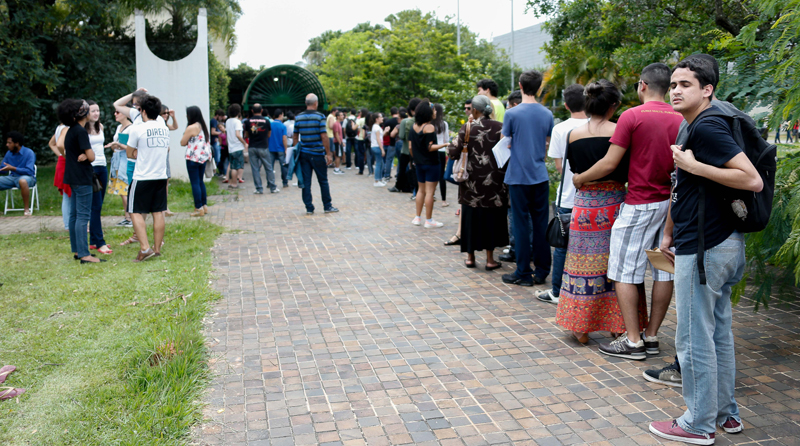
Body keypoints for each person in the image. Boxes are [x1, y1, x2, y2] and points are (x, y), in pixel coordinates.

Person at [648, 56, 763, 446]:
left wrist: (695, 166)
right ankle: (726, 414)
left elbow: (752, 179)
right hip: (719, 242)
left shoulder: (709, 125)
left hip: (707, 248)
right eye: (674, 84)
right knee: (717, 335)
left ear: (707, 90)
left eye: (686, 85)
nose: (677, 90)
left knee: (695, 338)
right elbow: (686, 188)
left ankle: (697, 424)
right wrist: (670, 230)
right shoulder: (700, 123)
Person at [573, 63, 683, 360]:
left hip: (639, 202)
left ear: (642, 85)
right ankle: (651, 336)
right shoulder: (682, 117)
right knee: (663, 272)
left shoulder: (632, 116)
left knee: (622, 272)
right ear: (669, 86)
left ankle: (632, 341)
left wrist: (580, 178)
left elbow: (610, 163)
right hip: (673, 204)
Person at [553, 80, 636, 344]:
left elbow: (573, 169)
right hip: (614, 205)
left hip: (584, 206)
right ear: (614, 106)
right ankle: (617, 324)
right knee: (617, 266)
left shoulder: (573, 134)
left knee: (580, 266)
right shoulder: (620, 132)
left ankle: (581, 327)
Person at [501, 70, 554, 287]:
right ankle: (542, 271)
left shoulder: (512, 114)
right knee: (541, 225)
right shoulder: (547, 114)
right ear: (539, 88)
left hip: (518, 176)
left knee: (521, 225)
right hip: (539, 175)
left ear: (520, 87)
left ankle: (522, 272)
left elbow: (506, 141)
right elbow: (547, 143)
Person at [536, 84, 588, 304]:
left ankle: (557, 292)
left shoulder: (561, 129)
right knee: (588, 247)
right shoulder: (599, 125)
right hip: (592, 197)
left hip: (567, 195)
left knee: (561, 246)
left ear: (566, 105)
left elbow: (559, 166)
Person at [448, 95, 507, 268]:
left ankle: (470, 257)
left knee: (470, 218)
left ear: (474, 109)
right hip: (494, 183)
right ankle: (490, 259)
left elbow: (453, 152)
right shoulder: (500, 127)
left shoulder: (468, 128)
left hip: (471, 183)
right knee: (490, 218)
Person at [125, 94, 170, 262]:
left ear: (142, 111)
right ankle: (157, 249)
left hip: (142, 176)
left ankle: (145, 248)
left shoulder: (138, 128)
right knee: (158, 212)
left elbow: (130, 153)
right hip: (160, 175)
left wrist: (141, 153)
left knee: (135, 211)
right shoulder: (164, 128)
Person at [58, 99, 103, 264]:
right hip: (82, 178)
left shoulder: (71, 130)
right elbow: (92, 156)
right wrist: (87, 155)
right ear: (82, 113)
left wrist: (83, 154)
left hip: (72, 177)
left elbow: (65, 150)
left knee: (74, 215)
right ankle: (85, 254)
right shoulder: (81, 132)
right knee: (83, 216)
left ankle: (77, 250)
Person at [293, 93, 338, 214]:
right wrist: (328, 154)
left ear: (306, 103)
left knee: (306, 182)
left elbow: (295, 136)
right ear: (316, 103)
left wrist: (296, 151)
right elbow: (324, 136)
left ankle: (309, 208)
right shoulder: (320, 117)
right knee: (323, 181)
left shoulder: (298, 117)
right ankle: (327, 206)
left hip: (304, 154)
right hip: (317, 153)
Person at [409, 100, 447, 228]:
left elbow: (410, 146)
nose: (435, 112)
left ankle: (417, 217)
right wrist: (445, 144)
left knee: (421, 190)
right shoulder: (429, 127)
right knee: (430, 192)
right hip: (431, 163)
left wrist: (416, 158)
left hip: (419, 163)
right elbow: (430, 147)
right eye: (434, 110)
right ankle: (429, 220)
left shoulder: (414, 126)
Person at [82, 101, 112, 255]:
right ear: (87, 113)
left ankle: (93, 240)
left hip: (102, 166)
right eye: (93, 111)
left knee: (98, 205)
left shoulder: (100, 127)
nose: (96, 114)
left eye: (98, 111)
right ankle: (100, 242)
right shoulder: (83, 129)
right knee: (95, 205)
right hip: (91, 168)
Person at [181, 106, 212, 216]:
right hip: (202, 157)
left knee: (194, 183)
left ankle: (198, 208)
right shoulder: (202, 126)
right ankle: (204, 206)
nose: (186, 116)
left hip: (193, 158)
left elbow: (182, 142)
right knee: (200, 181)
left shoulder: (191, 127)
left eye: (187, 113)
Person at [105, 109, 133, 227]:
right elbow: (116, 144)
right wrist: (114, 146)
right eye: (115, 112)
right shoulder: (118, 127)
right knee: (121, 190)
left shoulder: (132, 128)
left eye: (118, 112)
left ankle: (132, 218)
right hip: (117, 159)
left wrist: (118, 145)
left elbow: (132, 147)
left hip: (125, 160)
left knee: (125, 189)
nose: (115, 114)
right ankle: (127, 217)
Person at [0, 131, 37, 216]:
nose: (7, 145)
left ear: (17, 143)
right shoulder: (9, 153)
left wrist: (13, 168)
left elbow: (29, 171)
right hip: (12, 178)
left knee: (23, 181)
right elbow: (3, 170)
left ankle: (26, 210)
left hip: (28, 178)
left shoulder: (29, 153)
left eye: (9, 143)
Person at [390, 100, 420, 193]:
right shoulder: (421, 121)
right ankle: (414, 187)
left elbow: (402, 136)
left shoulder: (405, 122)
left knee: (402, 168)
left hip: (406, 148)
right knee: (415, 169)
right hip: (417, 150)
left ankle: (398, 186)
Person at [243, 103, 271, 194]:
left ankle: (259, 188)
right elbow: (269, 134)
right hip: (263, 146)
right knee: (268, 167)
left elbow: (246, 135)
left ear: (252, 111)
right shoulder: (267, 121)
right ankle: (273, 187)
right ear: (261, 110)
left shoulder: (247, 121)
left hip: (252, 147)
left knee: (255, 168)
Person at [49, 123, 71, 229]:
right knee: (68, 195)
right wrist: (65, 155)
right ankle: (68, 225)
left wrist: (60, 155)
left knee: (67, 197)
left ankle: (68, 224)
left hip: (62, 161)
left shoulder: (59, 127)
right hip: (67, 162)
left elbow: (52, 143)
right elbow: (58, 145)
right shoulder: (66, 128)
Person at [267, 108, 289, 191]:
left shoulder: (270, 125)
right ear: (280, 115)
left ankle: (269, 183)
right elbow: (284, 138)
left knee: (270, 166)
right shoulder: (283, 126)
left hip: (271, 148)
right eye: (283, 115)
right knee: (283, 166)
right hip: (280, 148)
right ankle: (285, 182)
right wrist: (286, 148)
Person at [226, 104, 247, 189]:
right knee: (236, 167)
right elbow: (238, 134)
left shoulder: (228, 121)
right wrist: (244, 143)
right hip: (237, 147)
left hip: (230, 147)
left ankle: (231, 182)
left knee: (232, 166)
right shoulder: (237, 122)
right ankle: (234, 183)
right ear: (238, 112)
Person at [382, 107, 400, 182]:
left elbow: (385, 133)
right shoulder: (401, 121)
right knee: (400, 159)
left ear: (391, 113)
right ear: (397, 112)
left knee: (389, 159)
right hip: (400, 142)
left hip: (392, 143)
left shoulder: (388, 122)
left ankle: (387, 175)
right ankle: (398, 174)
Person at [369, 112, 386, 187]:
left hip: (375, 146)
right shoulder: (377, 127)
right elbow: (378, 139)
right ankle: (376, 180)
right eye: (381, 117)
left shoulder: (375, 126)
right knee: (379, 163)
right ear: (377, 119)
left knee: (380, 163)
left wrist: (386, 131)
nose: (382, 118)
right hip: (377, 146)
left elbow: (380, 136)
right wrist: (382, 149)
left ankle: (379, 179)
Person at [210, 109, 224, 176]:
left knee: (216, 157)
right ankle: (214, 172)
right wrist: (221, 133)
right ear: (217, 115)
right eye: (220, 116)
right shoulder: (214, 121)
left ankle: (215, 171)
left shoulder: (213, 121)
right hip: (214, 142)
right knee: (217, 158)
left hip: (214, 141)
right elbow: (212, 132)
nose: (221, 118)